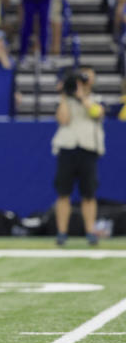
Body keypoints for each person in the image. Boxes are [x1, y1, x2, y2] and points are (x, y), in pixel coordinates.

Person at [52, 68, 105, 246]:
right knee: (63, 193)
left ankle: (90, 231)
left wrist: (82, 97)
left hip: (88, 149)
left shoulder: (95, 99)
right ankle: (62, 232)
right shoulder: (65, 99)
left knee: (89, 194)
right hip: (67, 148)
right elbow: (63, 120)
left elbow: (97, 113)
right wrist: (64, 95)